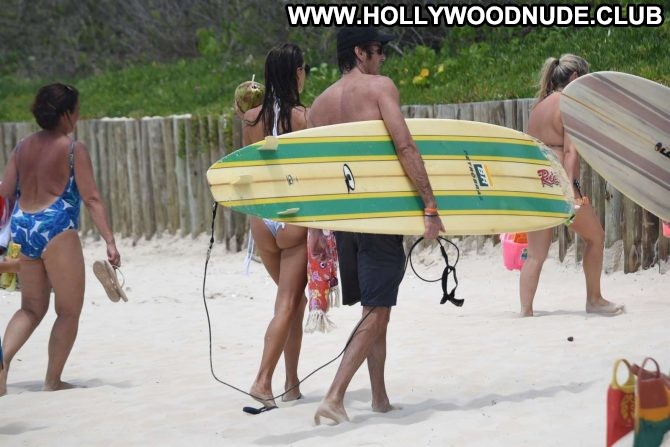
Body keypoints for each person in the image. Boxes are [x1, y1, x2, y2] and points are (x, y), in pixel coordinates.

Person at [308, 27, 444, 425]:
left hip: (344, 220)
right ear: (359, 52)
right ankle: (335, 396)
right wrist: (430, 204)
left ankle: (379, 397)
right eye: (377, 49)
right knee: (377, 311)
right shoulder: (380, 88)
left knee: (375, 307)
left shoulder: (319, 106)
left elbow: (317, 170)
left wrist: (316, 228)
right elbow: (405, 146)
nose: (382, 57)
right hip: (380, 215)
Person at [0, 83, 120, 396]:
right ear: (65, 114)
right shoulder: (72, 149)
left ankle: (2, 364)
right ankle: (53, 380)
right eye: (76, 111)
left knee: (30, 309)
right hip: (56, 227)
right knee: (67, 311)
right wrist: (109, 241)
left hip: (24, 226)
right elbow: (91, 198)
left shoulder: (22, 146)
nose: (78, 117)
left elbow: (6, 192)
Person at [519, 55, 623, 317]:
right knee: (596, 237)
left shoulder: (539, 107)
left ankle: (526, 311)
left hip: (535, 182)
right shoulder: (569, 104)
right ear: (575, 78)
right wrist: (571, 193)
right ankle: (594, 300)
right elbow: (569, 153)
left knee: (535, 255)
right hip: (558, 184)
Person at [238, 43, 310, 411]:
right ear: (296, 73)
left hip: (261, 218)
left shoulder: (250, 118)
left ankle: (291, 384)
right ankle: (262, 381)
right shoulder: (302, 117)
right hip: (292, 214)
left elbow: (247, 167)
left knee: (293, 302)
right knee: (287, 303)